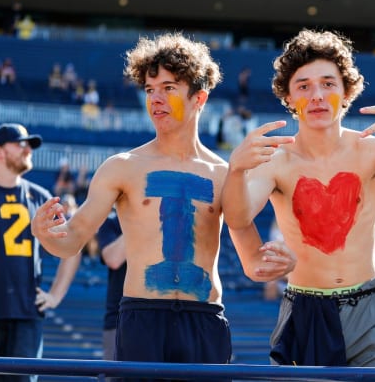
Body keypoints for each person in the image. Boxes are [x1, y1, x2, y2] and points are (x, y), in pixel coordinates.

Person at [31, 32, 295, 369]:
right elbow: (72, 240)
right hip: (142, 318)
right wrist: (45, 234)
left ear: (199, 98)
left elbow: (252, 263)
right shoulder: (122, 167)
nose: (156, 99)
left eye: (169, 88)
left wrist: (283, 265)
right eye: (150, 90)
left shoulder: (223, 172)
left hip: (205, 318)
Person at [222, 28, 375, 367]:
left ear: (347, 91)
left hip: (370, 307)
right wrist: (236, 170)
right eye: (303, 86)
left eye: (328, 84)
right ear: (288, 98)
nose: (316, 95)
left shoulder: (372, 149)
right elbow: (238, 217)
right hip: (305, 308)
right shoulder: (276, 160)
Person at [0, 123, 81, 382]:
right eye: (20, 144)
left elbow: (72, 248)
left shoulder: (41, 197)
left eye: (29, 145)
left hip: (26, 315)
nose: (27, 150)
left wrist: (54, 296)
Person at [97, 207, 124, 365]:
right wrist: (144, 221)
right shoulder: (112, 221)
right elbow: (113, 259)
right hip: (119, 320)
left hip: (165, 315)